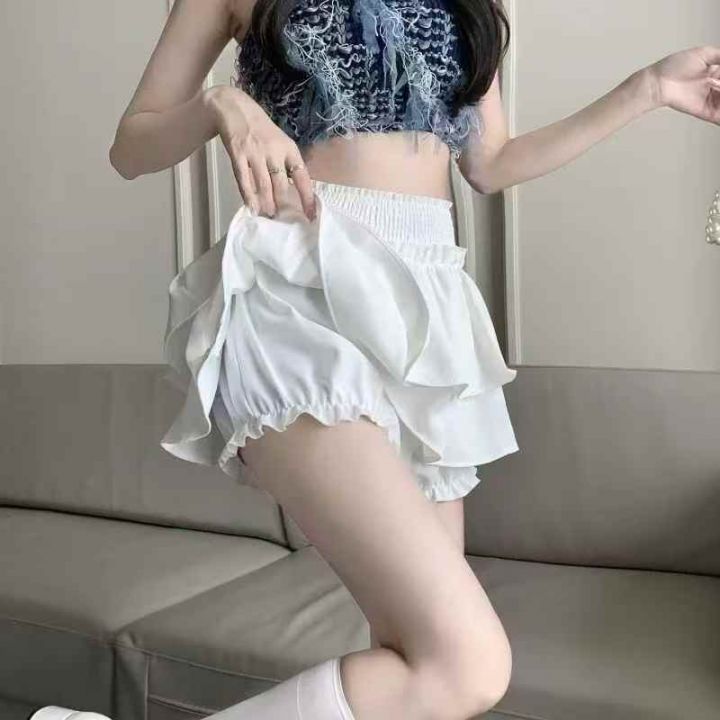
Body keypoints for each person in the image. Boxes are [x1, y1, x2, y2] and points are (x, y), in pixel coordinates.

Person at [31, 1, 719, 719]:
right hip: (300, 293)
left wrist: (648, 88)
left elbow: (491, 163)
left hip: (429, 315)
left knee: (422, 672)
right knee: (466, 662)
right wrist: (222, 104)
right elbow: (132, 146)